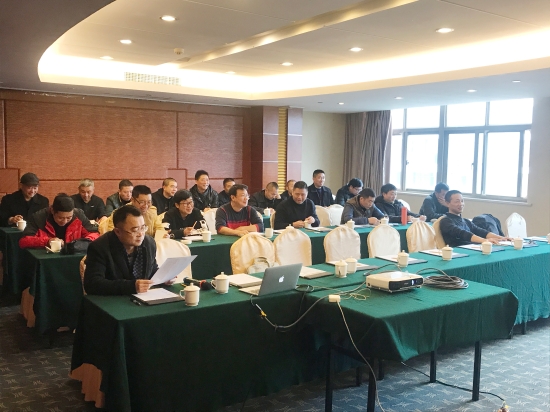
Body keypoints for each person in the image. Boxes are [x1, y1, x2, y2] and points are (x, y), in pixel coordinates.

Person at [84, 205, 158, 295]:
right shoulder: (100, 247)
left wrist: (163, 278)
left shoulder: (149, 243)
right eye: (135, 230)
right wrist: (131, 286)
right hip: (113, 300)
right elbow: (92, 284)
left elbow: (152, 269)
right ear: (118, 232)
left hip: (143, 298)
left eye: (143, 228)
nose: (141, 234)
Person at [19, 193, 99, 249]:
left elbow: (95, 234)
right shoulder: (39, 217)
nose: (64, 221)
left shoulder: (78, 215)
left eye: (69, 218)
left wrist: (80, 244)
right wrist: (47, 241)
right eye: (60, 218)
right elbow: (24, 241)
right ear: (52, 210)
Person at [439, 190, 509, 247]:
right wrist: (484, 241)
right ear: (447, 203)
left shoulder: (466, 221)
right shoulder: (445, 221)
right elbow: (463, 234)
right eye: (457, 201)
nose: (460, 204)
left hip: (472, 248)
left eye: (462, 201)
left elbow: (481, 232)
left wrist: (501, 238)